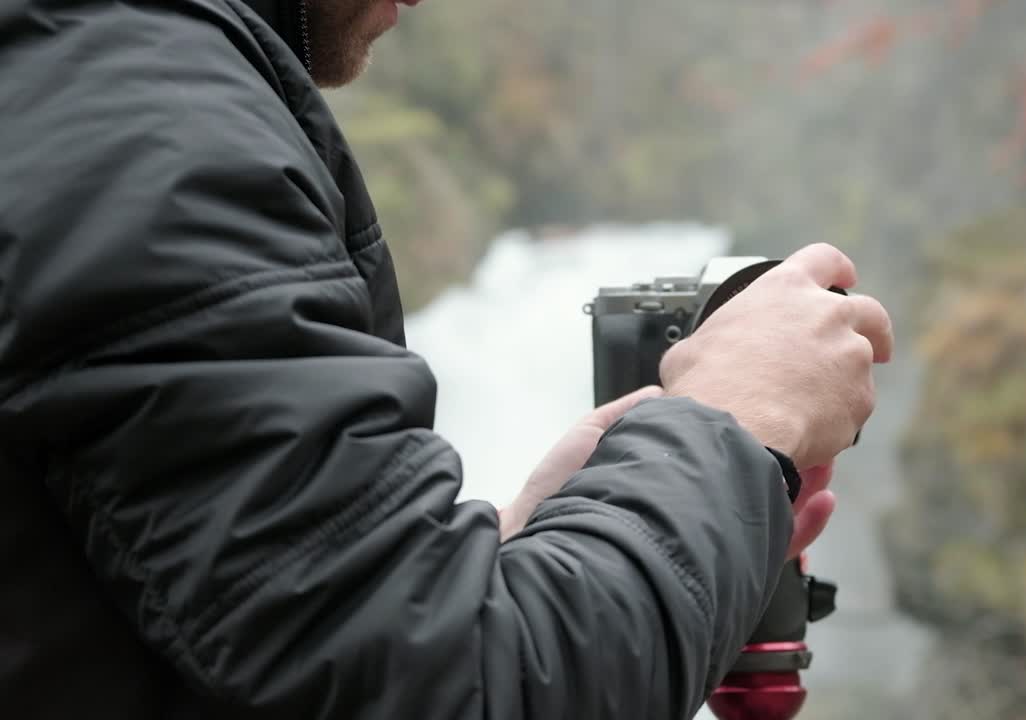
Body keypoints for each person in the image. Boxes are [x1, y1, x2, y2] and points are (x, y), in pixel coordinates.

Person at [0, 1, 894, 718]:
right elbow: (462, 682)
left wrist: (513, 550)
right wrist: (739, 421)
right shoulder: (148, 121)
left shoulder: (90, 77)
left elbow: (234, 621)